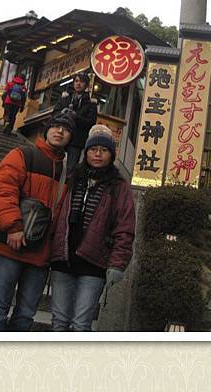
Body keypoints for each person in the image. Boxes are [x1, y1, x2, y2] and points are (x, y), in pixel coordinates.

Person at [0, 110, 76, 332]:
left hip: (41, 252)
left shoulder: (68, 171)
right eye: (56, 126)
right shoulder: (23, 154)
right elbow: (3, 190)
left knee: (25, 314)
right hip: (10, 245)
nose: (60, 131)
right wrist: (13, 226)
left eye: (67, 129)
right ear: (46, 129)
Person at [50, 124, 136, 332]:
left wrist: (117, 264)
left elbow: (125, 229)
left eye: (104, 150)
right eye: (93, 149)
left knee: (81, 324)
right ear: (86, 152)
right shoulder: (73, 178)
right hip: (63, 260)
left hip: (94, 264)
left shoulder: (118, 186)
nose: (98, 154)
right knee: (59, 321)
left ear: (112, 154)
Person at [53, 71, 97, 173]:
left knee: (70, 169)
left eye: (81, 82)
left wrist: (76, 117)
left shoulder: (91, 103)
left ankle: (67, 188)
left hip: (76, 141)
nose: (78, 84)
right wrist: (62, 114)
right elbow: (54, 114)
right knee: (54, 166)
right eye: (76, 81)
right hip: (60, 136)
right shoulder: (65, 98)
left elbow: (91, 122)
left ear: (86, 85)